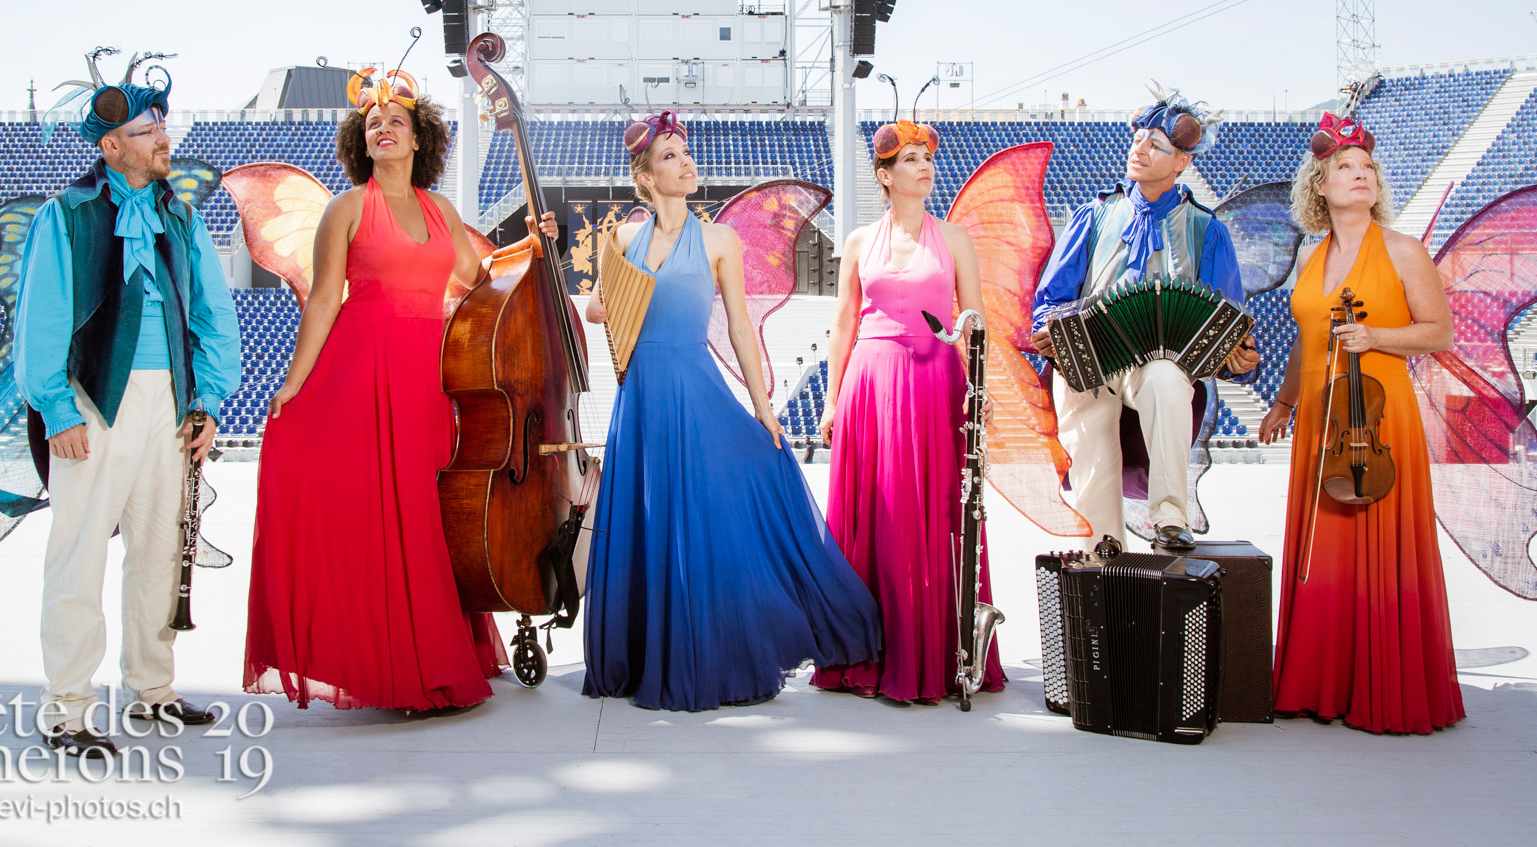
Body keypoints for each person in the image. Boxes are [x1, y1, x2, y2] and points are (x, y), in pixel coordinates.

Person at [243, 70, 552, 712]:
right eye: (372, 124)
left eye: (396, 123)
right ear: (362, 140)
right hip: (360, 370)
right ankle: (395, 668)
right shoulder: (346, 207)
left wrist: (533, 240)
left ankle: (433, 652)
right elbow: (326, 298)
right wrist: (293, 384)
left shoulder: (441, 211)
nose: (383, 130)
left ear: (420, 139)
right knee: (381, 518)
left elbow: (478, 276)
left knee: (424, 519)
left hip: (426, 378)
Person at [582, 111, 881, 711]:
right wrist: (623, 294)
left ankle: (713, 644)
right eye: (670, 155)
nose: (686, 162)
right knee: (646, 520)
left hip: (695, 391)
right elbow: (595, 310)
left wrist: (764, 409)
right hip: (639, 397)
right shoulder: (621, 237)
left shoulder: (720, 240)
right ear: (644, 175)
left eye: (685, 151)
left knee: (711, 511)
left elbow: (741, 328)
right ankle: (640, 657)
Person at [16, 73, 242, 759]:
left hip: (169, 400)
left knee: (158, 549)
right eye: (149, 132)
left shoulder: (181, 214)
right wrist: (58, 409)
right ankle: (69, 707)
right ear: (113, 146)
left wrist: (206, 399)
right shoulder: (67, 213)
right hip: (91, 398)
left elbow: (211, 311)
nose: (164, 140)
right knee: (79, 550)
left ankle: (153, 691)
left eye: (162, 128)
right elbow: (44, 318)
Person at [1258, 112, 1464, 734]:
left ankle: (1385, 685)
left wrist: (1376, 334)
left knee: (1377, 545)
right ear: (1319, 184)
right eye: (1346, 167)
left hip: (1378, 416)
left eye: (1368, 167)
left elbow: (1440, 332)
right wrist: (1284, 403)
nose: (1360, 176)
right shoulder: (1311, 258)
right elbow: (1307, 338)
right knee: (1324, 552)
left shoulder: (1403, 250)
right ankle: (1321, 684)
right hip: (1320, 416)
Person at [811, 119, 1004, 702]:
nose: (924, 166)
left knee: (936, 514)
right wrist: (832, 398)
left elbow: (975, 322)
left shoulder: (956, 239)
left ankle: (940, 651)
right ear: (885, 176)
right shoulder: (856, 242)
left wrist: (981, 390)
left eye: (927, 158)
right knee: (876, 517)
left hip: (935, 383)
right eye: (911, 159)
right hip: (869, 384)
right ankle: (865, 654)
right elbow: (844, 321)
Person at [1030, 85, 1259, 551]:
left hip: (1157, 360)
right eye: (1138, 139)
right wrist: (1050, 327)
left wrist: (1237, 350)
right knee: (1088, 422)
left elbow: (1227, 316)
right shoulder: (1093, 215)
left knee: (1166, 377)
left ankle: (1171, 518)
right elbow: (1050, 298)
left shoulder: (1206, 230)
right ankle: (1102, 547)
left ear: (1182, 163)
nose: (1140, 148)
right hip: (1090, 355)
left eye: (1156, 145)